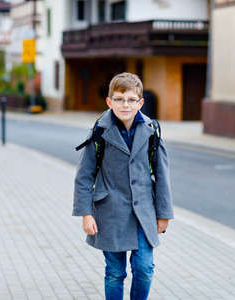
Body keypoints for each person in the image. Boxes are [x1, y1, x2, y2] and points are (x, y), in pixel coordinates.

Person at [72, 72, 174, 300]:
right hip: (110, 212)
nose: (124, 105)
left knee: (144, 269)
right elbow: (84, 176)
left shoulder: (152, 131)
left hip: (143, 213)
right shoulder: (99, 131)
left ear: (140, 102)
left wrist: (164, 214)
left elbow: (162, 175)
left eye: (130, 100)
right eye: (118, 99)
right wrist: (86, 214)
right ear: (109, 102)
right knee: (115, 273)